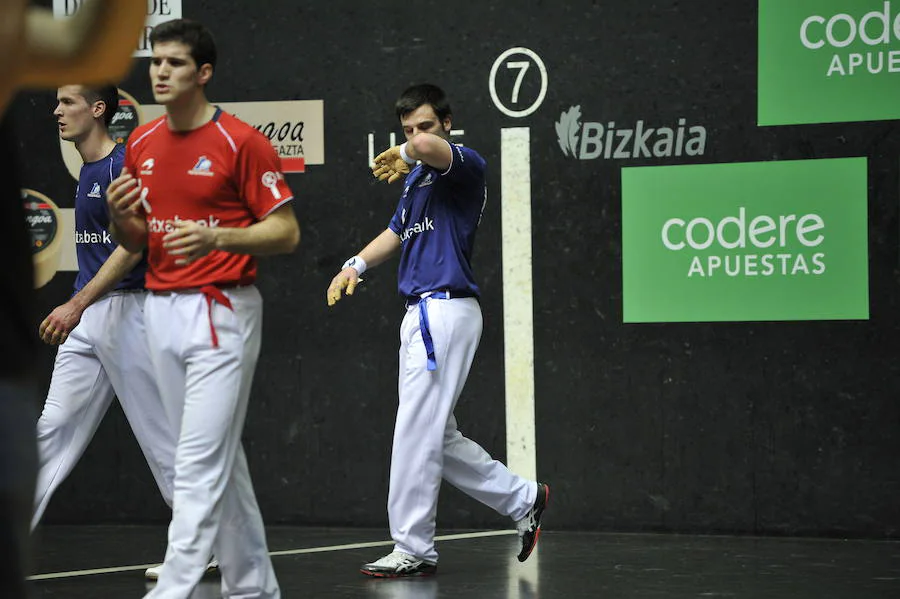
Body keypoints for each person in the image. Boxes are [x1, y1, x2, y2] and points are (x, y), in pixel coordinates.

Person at [106, 18, 299, 599]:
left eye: (175, 63)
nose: (160, 72)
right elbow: (139, 240)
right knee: (219, 461)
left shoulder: (241, 141)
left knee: (194, 463)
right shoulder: (139, 143)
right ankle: (255, 589)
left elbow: (285, 232)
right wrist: (121, 217)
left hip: (222, 314)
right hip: (159, 312)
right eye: (155, 62)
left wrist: (218, 238)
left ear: (204, 73)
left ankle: (173, 589)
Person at [327, 83, 550, 578]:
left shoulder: (463, 165)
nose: (414, 137)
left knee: (414, 432)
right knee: (436, 436)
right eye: (405, 130)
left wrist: (409, 148)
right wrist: (354, 266)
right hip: (421, 315)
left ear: (447, 124)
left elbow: (427, 149)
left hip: (444, 309)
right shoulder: (414, 183)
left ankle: (413, 547)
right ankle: (524, 499)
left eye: (424, 126)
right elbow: (395, 232)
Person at [0, 2, 147, 596]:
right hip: (89, 320)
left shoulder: (120, 166)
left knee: (161, 438)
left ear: (99, 108)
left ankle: (205, 543)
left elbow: (132, 249)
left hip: (129, 315)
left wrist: (75, 302)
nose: (55, 109)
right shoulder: (85, 172)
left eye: (66, 101)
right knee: (52, 430)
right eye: (55, 100)